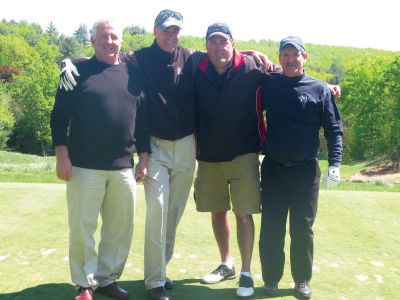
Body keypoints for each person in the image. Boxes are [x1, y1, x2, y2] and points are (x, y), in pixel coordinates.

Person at [50, 19, 149, 300]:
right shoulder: (76, 71)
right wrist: (62, 156)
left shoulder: (134, 74)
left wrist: (144, 157)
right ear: (92, 41)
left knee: (120, 229)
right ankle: (84, 285)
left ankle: (107, 279)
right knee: (83, 228)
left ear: (121, 40)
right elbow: (58, 117)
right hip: (83, 166)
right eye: (102, 36)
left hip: (123, 167)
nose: (109, 41)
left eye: (114, 36)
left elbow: (142, 120)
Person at [193, 23, 274, 298]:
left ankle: (246, 273)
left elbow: (290, 75)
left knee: (244, 213)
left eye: (223, 41)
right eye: (212, 42)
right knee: (217, 211)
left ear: (233, 43)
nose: (218, 47)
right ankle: (226, 263)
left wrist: (325, 86)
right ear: (206, 46)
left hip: (244, 154)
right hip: (209, 156)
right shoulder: (196, 67)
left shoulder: (253, 68)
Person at [259, 36, 343, 299]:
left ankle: (302, 280)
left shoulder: (320, 90)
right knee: (271, 228)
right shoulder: (269, 85)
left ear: (305, 57)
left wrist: (336, 163)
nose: (291, 59)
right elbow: (246, 63)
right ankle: (271, 280)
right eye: (285, 54)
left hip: (305, 172)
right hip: (274, 169)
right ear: (279, 58)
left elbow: (334, 129)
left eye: (296, 55)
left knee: (302, 229)